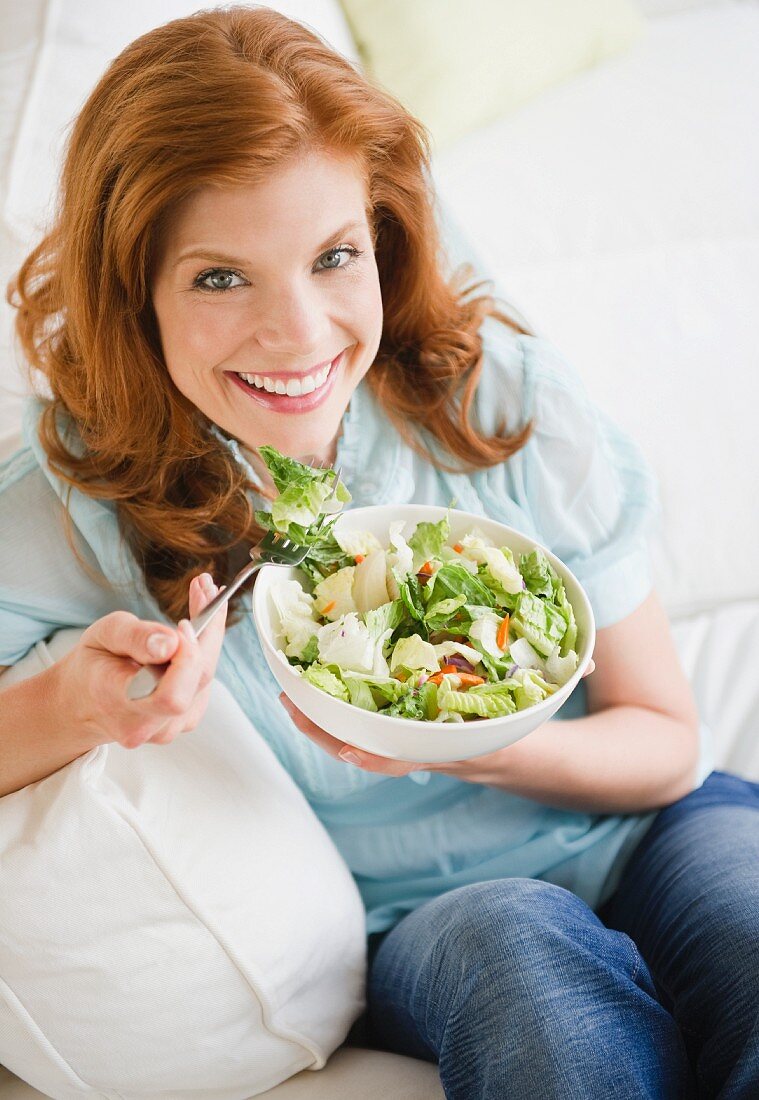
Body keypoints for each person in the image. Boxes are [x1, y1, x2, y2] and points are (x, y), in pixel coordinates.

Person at [0, 6, 756, 1097]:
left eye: (333, 257)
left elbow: (667, 743)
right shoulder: (72, 501)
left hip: (654, 828)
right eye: (221, 277)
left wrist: (464, 739)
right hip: (431, 914)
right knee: (527, 969)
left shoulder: (485, 396)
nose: (301, 334)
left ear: (383, 244)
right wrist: (78, 701)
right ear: (137, 293)